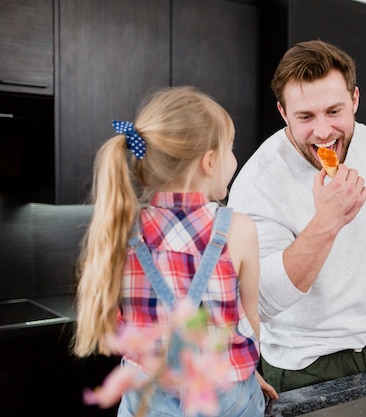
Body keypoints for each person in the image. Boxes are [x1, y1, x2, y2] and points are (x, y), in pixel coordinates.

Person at [72, 86, 277, 417]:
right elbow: (248, 322)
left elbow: (119, 322)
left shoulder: (122, 229)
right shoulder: (237, 229)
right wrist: (244, 368)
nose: (233, 158)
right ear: (209, 162)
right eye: (231, 148)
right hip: (224, 397)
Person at [227, 40, 366, 393]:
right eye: (305, 117)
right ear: (283, 114)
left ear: (354, 100)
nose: (324, 132)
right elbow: (263, 299)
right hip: (301, 363)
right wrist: (328, 220)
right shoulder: (258, 184)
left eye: (334, 111)